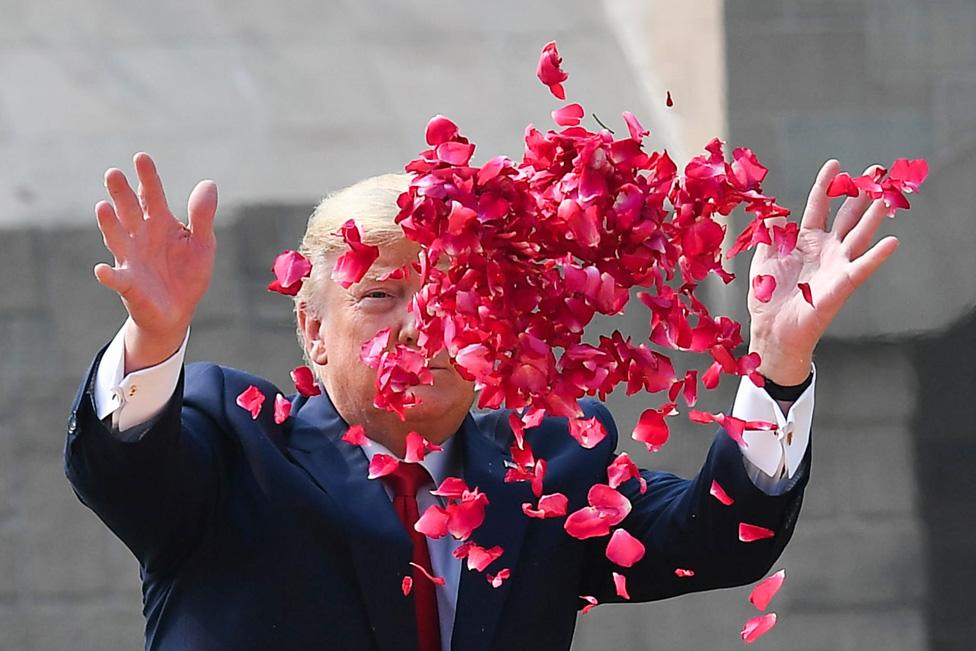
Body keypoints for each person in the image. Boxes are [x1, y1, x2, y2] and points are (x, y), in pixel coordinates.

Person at [65, 152, 898, 651]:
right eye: (383, 295)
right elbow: (121, 465)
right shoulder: (231, 442)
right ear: (312, 330)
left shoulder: (554, 464)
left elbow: (719, 540)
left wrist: (779, 359)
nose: (425, 324)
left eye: (457, 292)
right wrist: (154, 333)